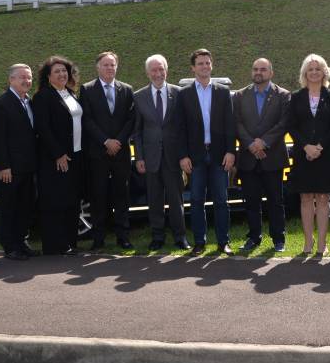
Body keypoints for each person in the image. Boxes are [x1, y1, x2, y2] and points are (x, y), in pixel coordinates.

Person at [177, 49, 236, 256]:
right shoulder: (183, 94)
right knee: (196, 200)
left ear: (212, 65)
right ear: (193, 67)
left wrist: (231, 151)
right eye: (200, 63)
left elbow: (230, 124)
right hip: (195, 157)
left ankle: (223, 242)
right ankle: (199, 242)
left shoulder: (222, 92)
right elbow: (180, 128)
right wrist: (182, 155)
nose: (204, 66)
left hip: (220, 155)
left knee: (221, 199)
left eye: (207, 63)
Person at [79, 51, 135, 252]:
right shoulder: (87, 90)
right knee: (98, 197)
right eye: (105, 65)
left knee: (122, 196)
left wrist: (118, 141)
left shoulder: (126, 90)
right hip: (98, 153)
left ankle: (123, 237)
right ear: (98, 67)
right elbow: (87, 120)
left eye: (112, 65)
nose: (110, 68)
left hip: (120, 153)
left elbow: (131, 120)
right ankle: (98, 238)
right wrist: (105, 141)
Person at [234, 58, 291, 253]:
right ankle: (254, 237)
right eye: (255, 69)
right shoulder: (240, 95)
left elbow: (284, 123)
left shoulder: (283, 95)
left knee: (276, 201)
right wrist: (250, 144)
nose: (259, 72)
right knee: (251, 202)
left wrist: (263, 142)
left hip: (272, 157)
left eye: (263, 69)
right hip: (248, 158)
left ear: (271, 73)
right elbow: (237, 124)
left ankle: (279, 240)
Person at [133, 54, 190, 251]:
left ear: (167, 70)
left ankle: (180, 236)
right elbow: (137, 131)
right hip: (150, 158)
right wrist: (139, 156)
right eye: (154, 70)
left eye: (161, 69)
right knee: (155, 200)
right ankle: (157, 237)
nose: (158, 74)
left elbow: (185, 127)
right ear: (148, 73)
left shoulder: (179, 93)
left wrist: (184, 154)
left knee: (176, 199)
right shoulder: (139, 96)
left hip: (174, 157)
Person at [287, 54, 330, 256]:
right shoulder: (296, 96)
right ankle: (308, 243)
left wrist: (319, 146)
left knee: (323, 197)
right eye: (310, 69)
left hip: (325, 155)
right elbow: (291, 125)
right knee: (307, 197)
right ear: (305, 73)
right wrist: (306, 147)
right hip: (303, 155)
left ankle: (322, 244)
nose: (314, 72)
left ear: (324, 72)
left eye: (318, 69)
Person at [32, 56, 84, 256]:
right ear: (47, 76)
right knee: (56, 202)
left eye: (64, 71)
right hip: (56, 159)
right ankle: (55, 246)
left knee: (72, 201)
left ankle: (70, 243)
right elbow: (43, 129)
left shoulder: (70, 93)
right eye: (57, 72)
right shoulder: (43, 97)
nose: (62, 74)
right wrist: (58, 154)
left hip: (75, 155)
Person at [0, 64, 39, 261]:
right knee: (9, 208)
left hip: (28, 166)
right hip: (9, 168)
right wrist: (4, 166)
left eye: (29, 77)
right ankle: (10, 247)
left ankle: (22, 242)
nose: (27, 81)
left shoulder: (29, 102)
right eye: (22, 77)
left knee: (26, 206)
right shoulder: (0, 104)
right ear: (11, 80)